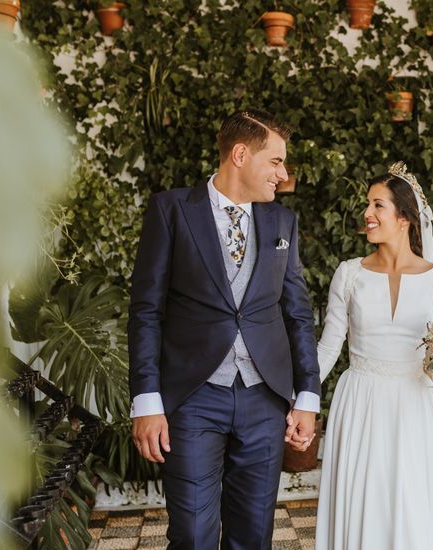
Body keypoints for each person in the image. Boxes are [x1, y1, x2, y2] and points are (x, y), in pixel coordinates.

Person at [127, 109, 321, 550]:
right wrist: (146, 400)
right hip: (194, 399)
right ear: (239, 154)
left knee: (253, 535)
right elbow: (146, 311)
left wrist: (306, 396)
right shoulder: (171, 210)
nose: (283, 173)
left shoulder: (282, 223)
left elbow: (297, 314)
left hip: (264, 400)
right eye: (275, 161)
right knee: (192, 536)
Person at [314, 162, 433, 549]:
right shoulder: (349, 274)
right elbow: (329, 346)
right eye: (368, 205)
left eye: (377, 205)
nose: (367, 214)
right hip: (362, 402)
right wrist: (299, 396)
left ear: (404, 217)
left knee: (414, 502)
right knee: (366, 499)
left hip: (419, 405)